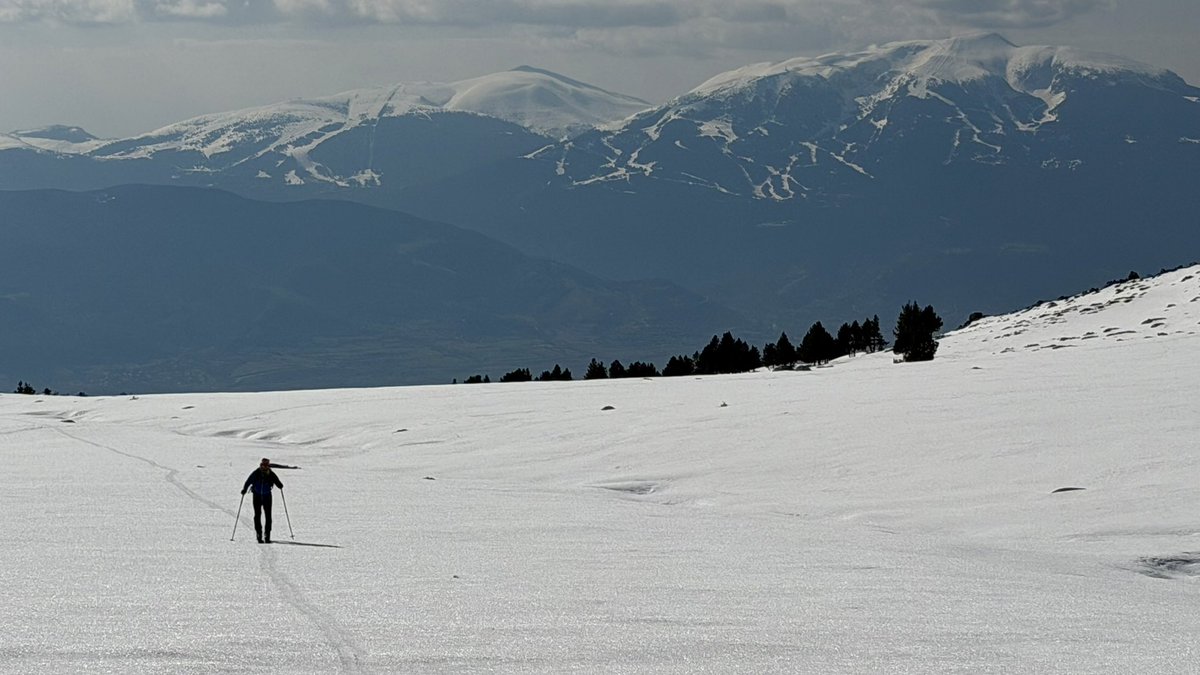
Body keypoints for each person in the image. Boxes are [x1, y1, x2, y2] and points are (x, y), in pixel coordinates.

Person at [242, 458, 284, 543]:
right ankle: (259, 534)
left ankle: (267, 535)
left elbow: (278, 482)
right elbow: (248, 481)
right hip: (257, 496)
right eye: (263, 465)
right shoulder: (256, 473)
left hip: (267, 497)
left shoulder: (271, 474)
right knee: (257, 515)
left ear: (268, 466)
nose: (264, 467)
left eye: (266, 465)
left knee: (268, 516)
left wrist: (280, 485)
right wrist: (244, 489)